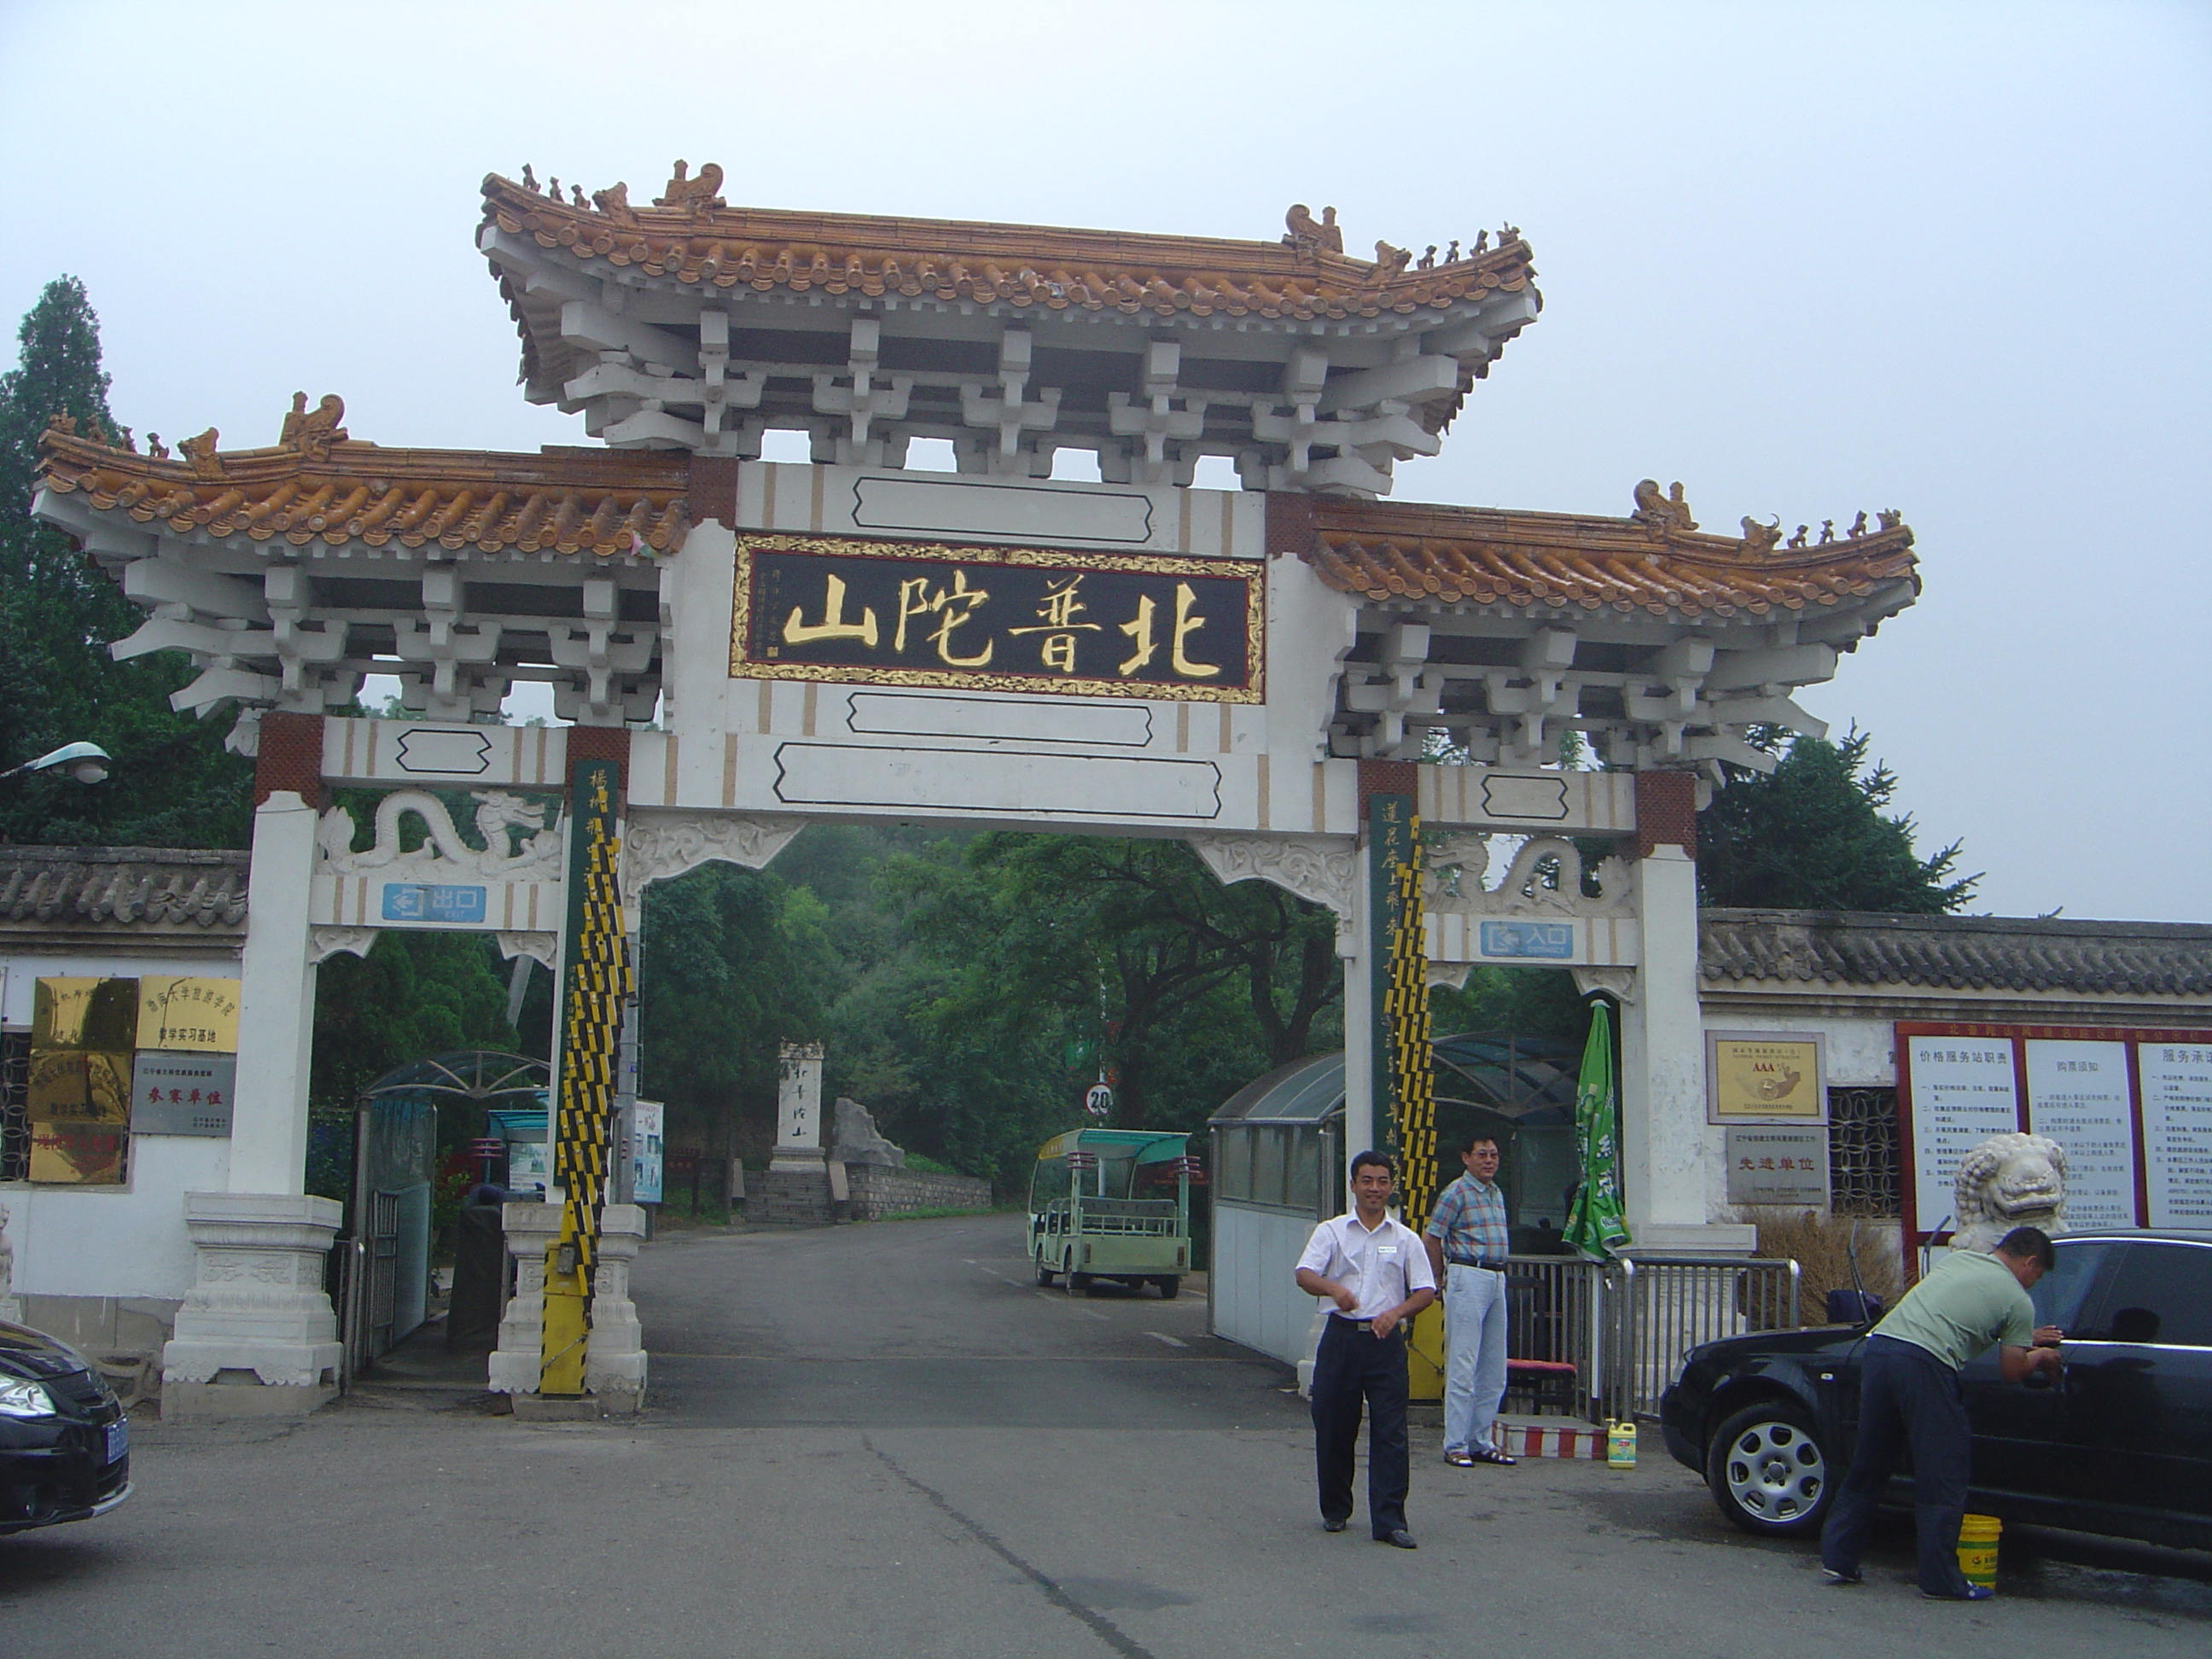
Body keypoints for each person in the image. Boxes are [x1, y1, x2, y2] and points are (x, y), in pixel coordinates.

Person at [1819, 1225, 2065, 1600]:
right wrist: (2043, 1355)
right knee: (1943, 1470)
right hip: (1925, 1363)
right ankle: (1940, 1580)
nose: (2035, 1283)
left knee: (1870, 1462)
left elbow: (1959, 1315)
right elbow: (2012, 1371)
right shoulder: (2018, 1301)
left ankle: (1839, 1558)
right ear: (2030, 1262)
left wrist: (2022, 1338)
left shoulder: (1962, 1260)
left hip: (1882, 1350)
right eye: (2039, 1274)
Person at [1295, 1150, 1437, 1549]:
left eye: (1382, 1181)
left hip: (1384, 1342)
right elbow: (1304, 1274)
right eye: (1367, 1181)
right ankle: (1336, 1509)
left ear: (1391, 1187)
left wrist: (1397, 1313)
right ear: (1353, 1185)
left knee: (1391, 1431)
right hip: (1341, 1338)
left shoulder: (1405, 1238)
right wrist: (1335, 1290)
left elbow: (1426, 1289)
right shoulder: (1332, 1232)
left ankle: (1390, 1520)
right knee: (1334, 1425)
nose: (1375, 1189)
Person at [1423, 1132, 1516, 1467]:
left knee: (1493, 1366)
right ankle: (1456, 1443)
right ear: (1466, 1158)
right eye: (1481, 1154)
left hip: (1495, 1275)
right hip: (1467, 1272)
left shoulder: (1496, 1193)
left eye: (1493, 1154)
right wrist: (1436, 1278)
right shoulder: (1456, 1192)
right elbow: (1432, 1236)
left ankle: (1481, 1439)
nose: (1489, 1160)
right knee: (1463, 1362)